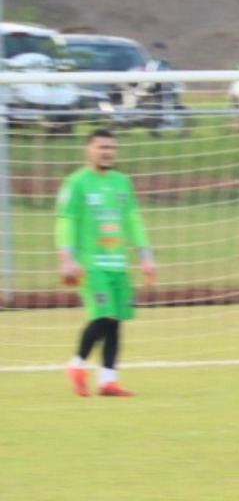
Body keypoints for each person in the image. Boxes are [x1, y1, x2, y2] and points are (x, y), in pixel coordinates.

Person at [59, 128, 155, 398]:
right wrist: (67, 257)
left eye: (111, 147)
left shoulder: (122, 182)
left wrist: (146, 255)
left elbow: (133, 220)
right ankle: (77, 364)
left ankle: (108, 381)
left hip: (118, 264)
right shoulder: (76, 183)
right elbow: (66, 221)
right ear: (88, 150)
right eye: (101, 147)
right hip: (90, 265)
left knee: (116, 321)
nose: (107, 152)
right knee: (102, 316)